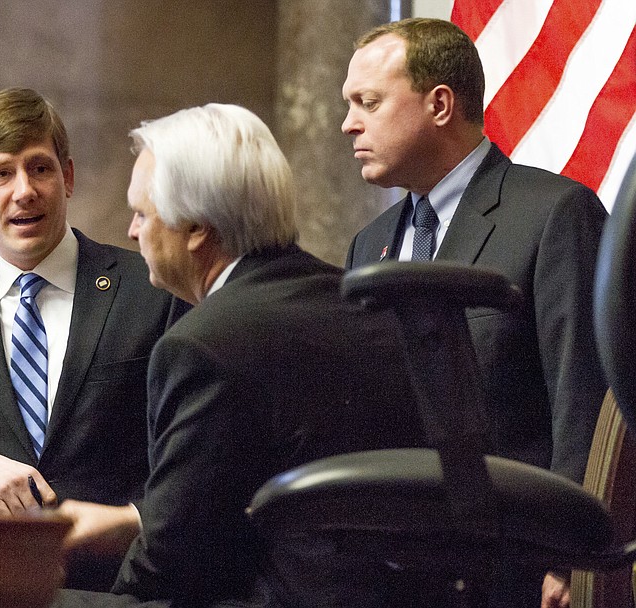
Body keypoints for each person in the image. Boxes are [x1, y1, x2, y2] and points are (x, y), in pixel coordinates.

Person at [51, 103, 426, 607]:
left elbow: (172, 562)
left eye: (142, 213)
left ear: (197, 229)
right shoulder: (367, 305)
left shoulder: (203, 345)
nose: (132, 232)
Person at [341, 18, 608, 608]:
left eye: (369, 102)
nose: (348, 123)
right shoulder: (370, 244)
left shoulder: (554, 213)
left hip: (515, 565)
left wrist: (570, 557)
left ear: (440, 104)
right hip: (400, 565)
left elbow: (581, 397)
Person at [0, 87, 185, 590]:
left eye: (40, 168)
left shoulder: (154, 289)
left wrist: (136, 520)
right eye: (2, 173)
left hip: (124, 585)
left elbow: (192, 449)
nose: (24, 190)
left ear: (67, 178)